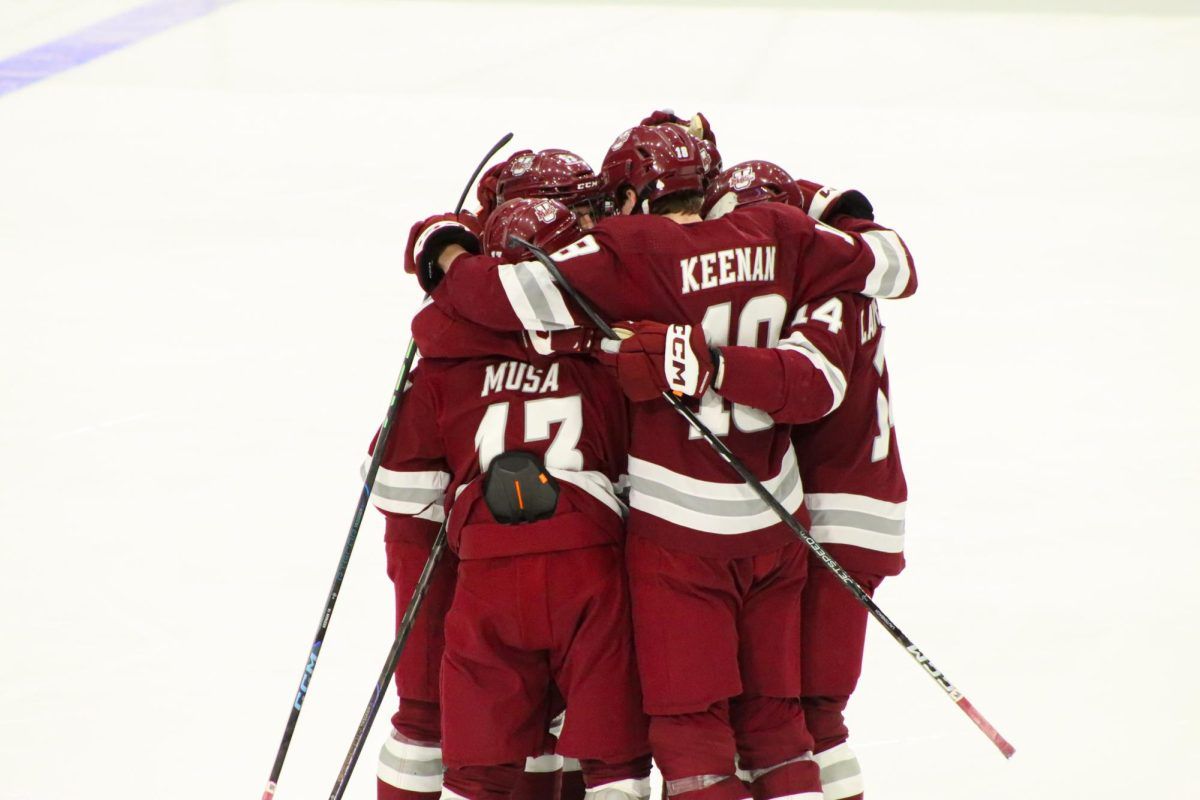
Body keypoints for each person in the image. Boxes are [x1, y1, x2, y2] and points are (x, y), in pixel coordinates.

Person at [408, 123, 916, 800]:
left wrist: (445, 247)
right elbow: (893, 269)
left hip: (680, 536)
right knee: (782, 724)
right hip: (779, 524)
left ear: (626, 196)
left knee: (689, 729)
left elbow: (488, 301)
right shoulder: (784, 234)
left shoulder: (636, 253)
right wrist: (819, 202)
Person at [375, 197, 650, 800]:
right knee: (613, 757)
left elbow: (399, 487)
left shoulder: (446, 358)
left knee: (474, 762)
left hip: (484, 572)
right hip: (590, 570)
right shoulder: (606, 355)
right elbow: (645, 478)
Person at [706, 159, 908, 800]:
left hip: (834, 516)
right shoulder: (843, 273)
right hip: (861, 508)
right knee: (794, 712)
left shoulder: (825, 296)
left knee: (801, 714)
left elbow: (803, 392)